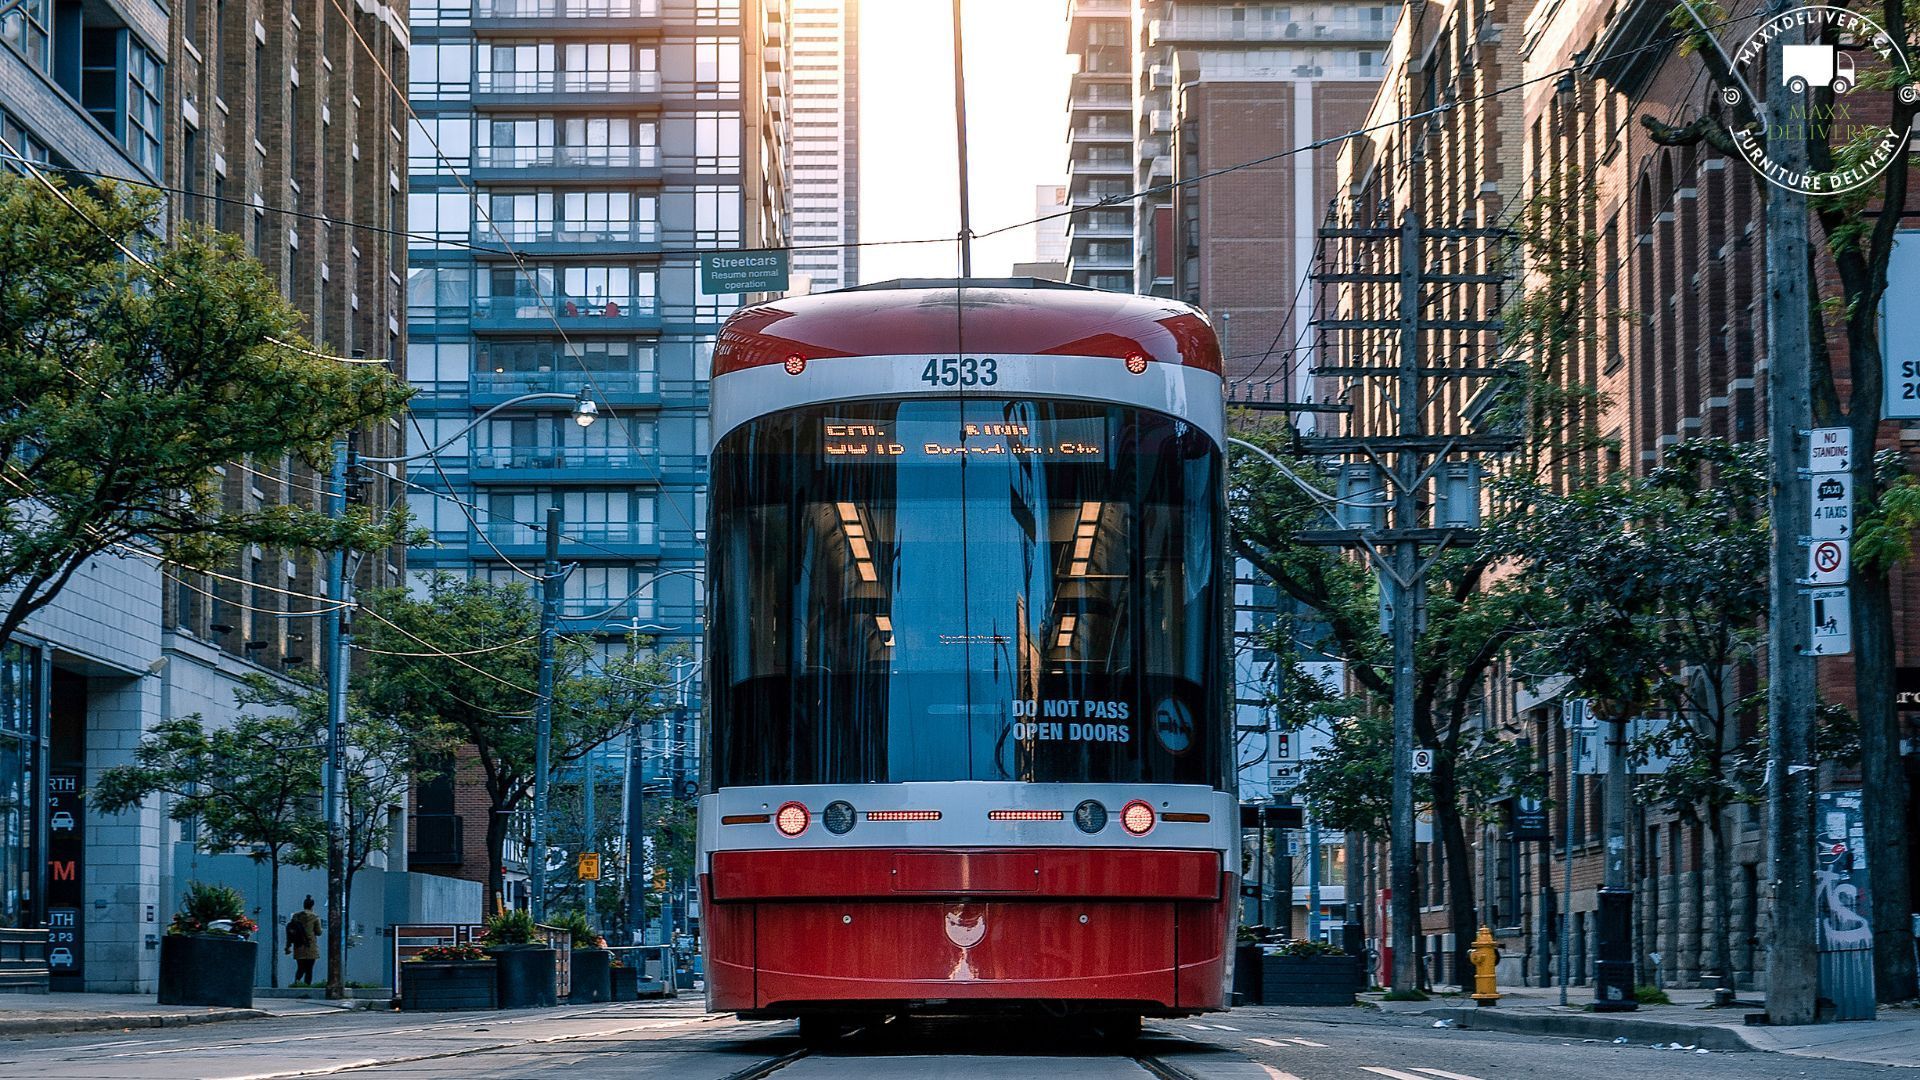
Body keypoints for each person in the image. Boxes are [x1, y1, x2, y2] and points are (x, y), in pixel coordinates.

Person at [287, 895, 323, 985]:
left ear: (304, 905)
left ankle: (296, 984)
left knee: (300, 968)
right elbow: (319, 932)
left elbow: (291, 930)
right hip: (311, 945)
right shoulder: (315, 917)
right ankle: (307, 987)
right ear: (312, 906)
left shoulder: (296, 916)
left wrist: (288, 946)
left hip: (298, 945)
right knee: (309, 969)